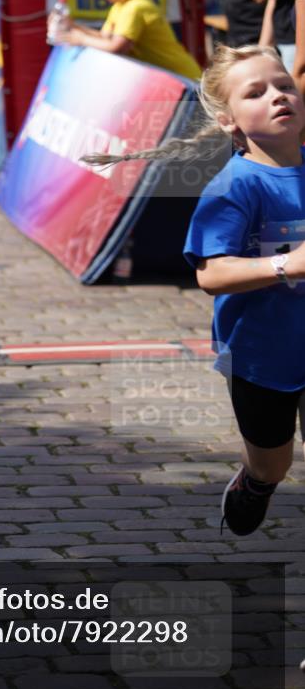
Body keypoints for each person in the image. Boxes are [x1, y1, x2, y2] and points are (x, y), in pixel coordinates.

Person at [82, 44, 305, 536]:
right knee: (275, 463)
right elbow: (211, 275)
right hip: (261, 354)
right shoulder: (235, 186)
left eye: (284, 85)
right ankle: (255, 483)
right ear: (230, 121)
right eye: (257, 92)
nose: (277, 96)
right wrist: (288, 264)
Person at [56, 0, 202, 80]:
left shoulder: (135, 7)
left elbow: (116, 47)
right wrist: (73, 27)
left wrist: (80, 39)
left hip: (185, 80)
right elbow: (105, 38)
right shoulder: (122, 5)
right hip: (173, 80)